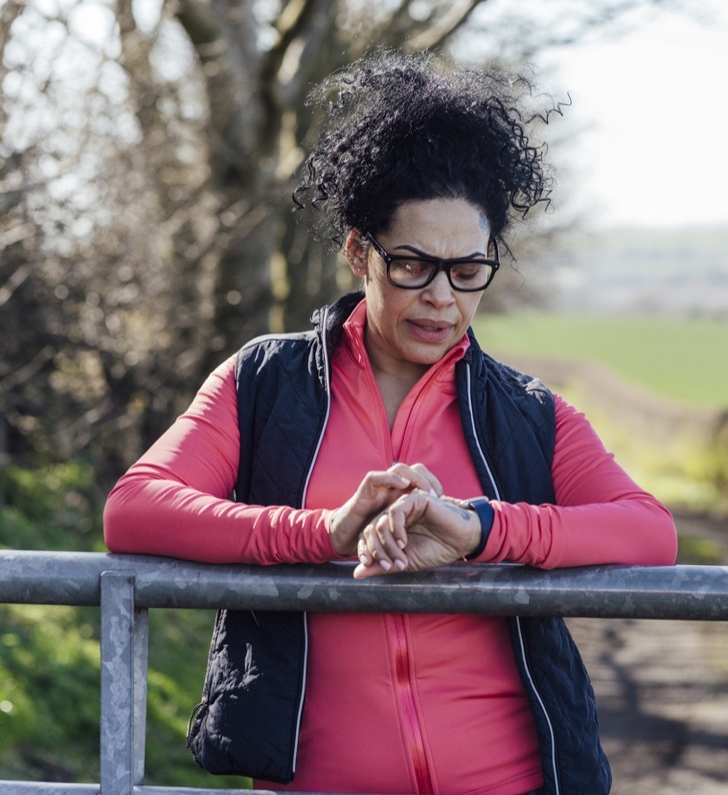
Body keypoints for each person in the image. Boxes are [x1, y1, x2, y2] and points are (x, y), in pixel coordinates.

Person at [103, 49, 677, 795]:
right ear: (358, 253)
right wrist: (321, 534)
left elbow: (649, 531)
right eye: (413, 264)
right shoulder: (264, 382)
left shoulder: (531, 412)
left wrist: (481, 529)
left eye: (468, 271)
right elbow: (133, 509)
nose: (442, 297)